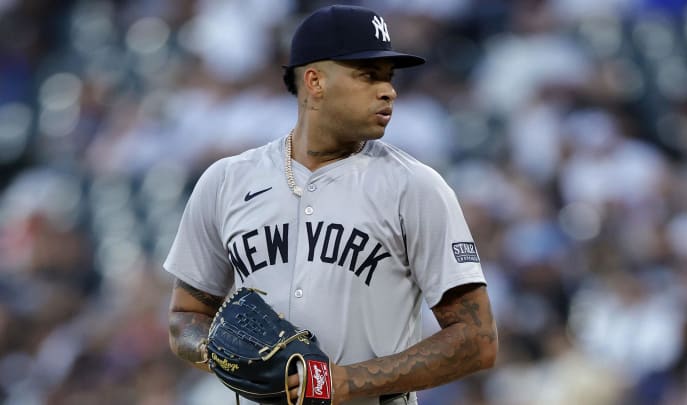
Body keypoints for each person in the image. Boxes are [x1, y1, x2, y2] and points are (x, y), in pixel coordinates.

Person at [165, 4, 498, 405]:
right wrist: (222, 354)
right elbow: (185, 319)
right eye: (367, 76)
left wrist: (345, 381)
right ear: (314, 81)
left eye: (388, 77)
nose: (388, 89)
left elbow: (477, 340)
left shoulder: (416, 186)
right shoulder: (226, 181)